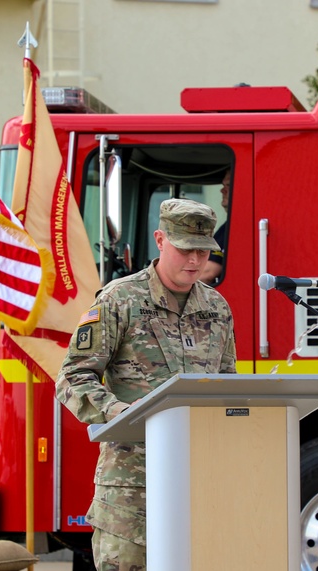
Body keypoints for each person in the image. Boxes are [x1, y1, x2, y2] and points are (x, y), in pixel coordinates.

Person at [55, 198, 237, 571]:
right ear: (160, 239)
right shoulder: (120, 299)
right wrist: (116, 411)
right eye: (186, 249)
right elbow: (72, 376)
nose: (195, 261)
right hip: (131, 487)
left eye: (204, 252)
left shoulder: (217, 309)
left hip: (197, 479)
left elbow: (226, 385)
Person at [199, 169, 231, 285]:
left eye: (228, 185)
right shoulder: (229, 227)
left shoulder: (232, 229)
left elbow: (207, 273)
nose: (222, 190)